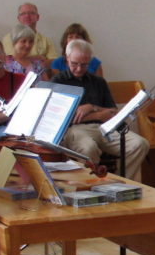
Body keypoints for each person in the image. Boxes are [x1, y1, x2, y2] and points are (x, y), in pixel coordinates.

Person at [51, 39, 149, 180]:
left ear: (90, 62)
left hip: (104, 128)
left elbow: (113, 113)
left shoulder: (98, 82)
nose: (79, 69)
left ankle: (120, 182)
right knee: (88, 148)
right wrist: (97, 115)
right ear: (67, 59)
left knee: (140, 144)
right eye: (74, 64)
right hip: (74, 130)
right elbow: (65, 118)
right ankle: (91, 184)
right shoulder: (58, 81)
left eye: (84, 65)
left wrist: (91, 107)